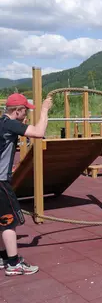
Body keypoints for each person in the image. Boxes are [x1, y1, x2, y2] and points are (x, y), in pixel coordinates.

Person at [0, 93, 52, 276]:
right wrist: (44, 110)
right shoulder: (10, 124)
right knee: (9, 222)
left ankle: (3, 256)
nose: (26, 114)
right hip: (0, 183)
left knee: (2, 220)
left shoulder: (2, 124)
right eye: (25, 111)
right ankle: (13, 264)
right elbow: (38, 133)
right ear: (17, 111)